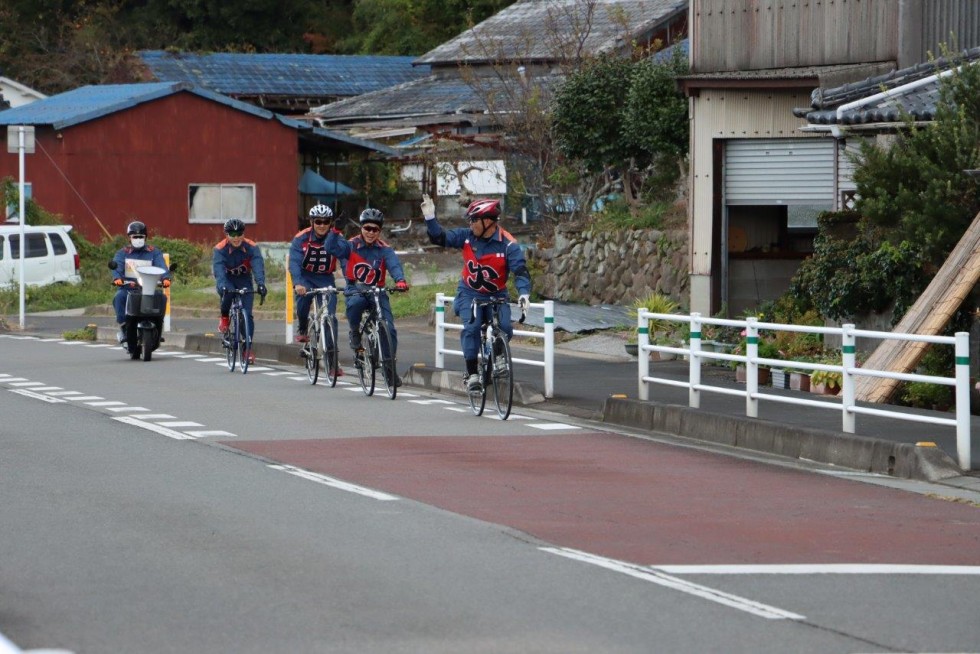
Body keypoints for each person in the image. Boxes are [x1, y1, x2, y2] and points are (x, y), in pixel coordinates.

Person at [422, 194, 531, 392]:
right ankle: (472, 373)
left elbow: (520, 270)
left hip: (497, 294)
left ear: (488, 221)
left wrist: (524, 293)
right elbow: (441, 238)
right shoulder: (466, 236)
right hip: (469, 293)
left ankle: (498, 356)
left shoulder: (508, 244)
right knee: (471, 328)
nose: (470, 224)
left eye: (474, 220)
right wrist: (430, 218)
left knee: (505, 328)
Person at [325, 207, 409, 385]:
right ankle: (355, 332)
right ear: (361, 228)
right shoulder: (351, 245)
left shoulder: (385, 249)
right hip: (356, 288)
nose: (371, 233)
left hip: (377, 291)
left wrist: (400, 280)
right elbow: (330, 247)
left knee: (390, 329)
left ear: (380, 231)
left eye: (375, 229)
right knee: (355, 304)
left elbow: (394, 265)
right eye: (367, 228)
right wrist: (335, 230)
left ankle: (389, 371)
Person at [213, 218, 267, 364]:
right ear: (227, 235)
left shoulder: (251, 247)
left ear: (243, 234)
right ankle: (224, 318)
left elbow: (257, 266)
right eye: (232, 234)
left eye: (239, 234)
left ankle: (247, 348)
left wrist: (261, 284)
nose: (236, 238)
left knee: (247, 315)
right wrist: (223, 285)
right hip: (227, 280)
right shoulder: (219, 249)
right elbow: (218, 270)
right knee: (228, 294)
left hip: (244, 280)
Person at [111, 220, 171, 344]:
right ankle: (124, 328)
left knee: (162, 298)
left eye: (140, 236)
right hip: (128, 289)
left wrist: (165, 278)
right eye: (135, 236)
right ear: (129, 238)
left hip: (148, 288)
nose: (138, 239)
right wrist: (117, 278)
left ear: (145, 238)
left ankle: (158, 328)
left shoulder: (154, 252)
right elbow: (117, 267)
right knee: (118, 297)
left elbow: (161, 266)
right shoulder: (123, 253)